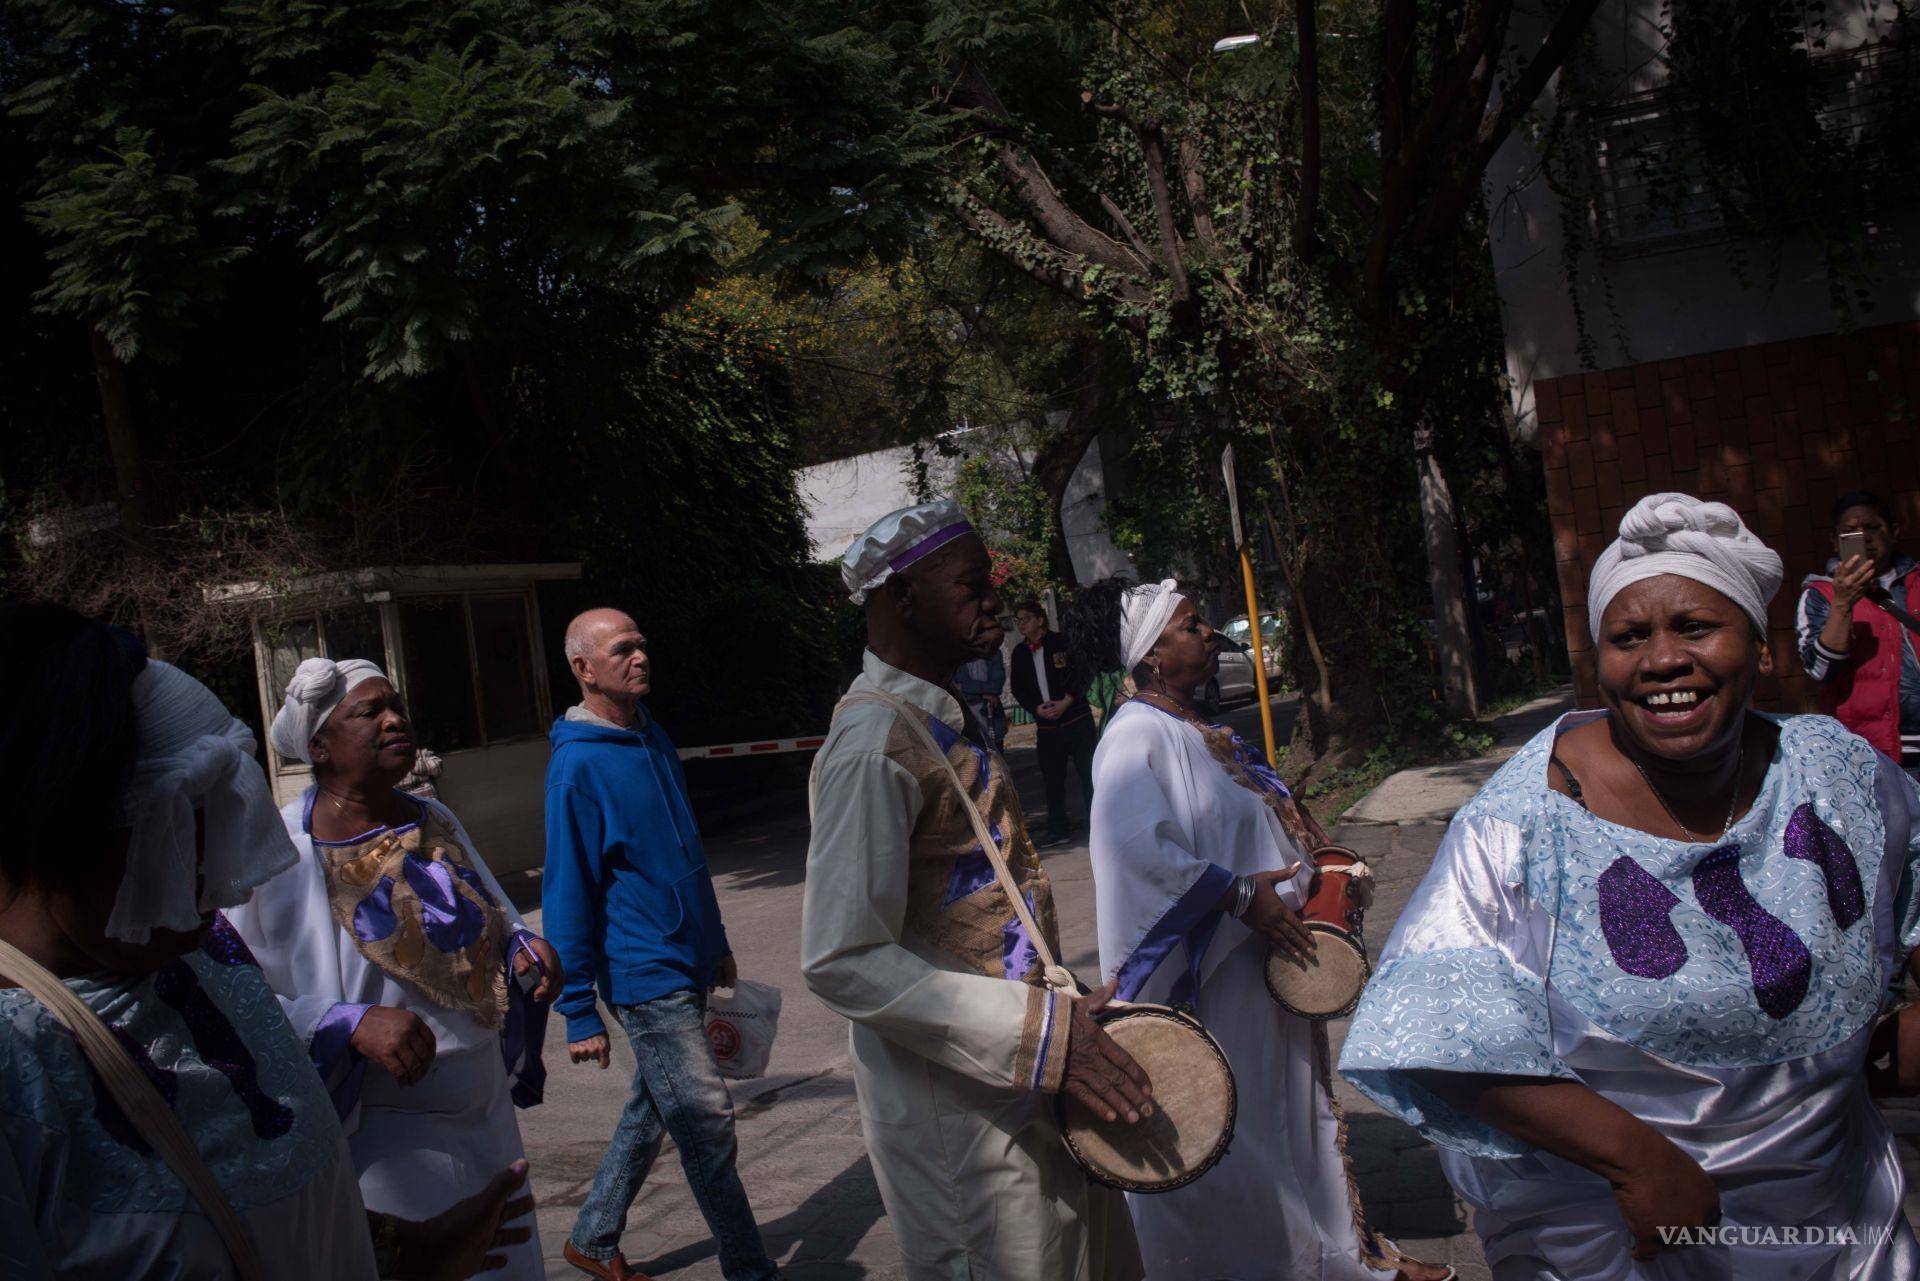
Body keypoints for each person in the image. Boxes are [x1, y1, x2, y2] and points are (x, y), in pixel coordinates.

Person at [1339, 492, 1920, 1280]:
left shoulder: (1838, 775)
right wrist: (1635, 1161)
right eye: (1629, 636)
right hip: (1627, 1238)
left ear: (1757, 643)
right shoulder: (1522, 822)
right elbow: (1432, 1033)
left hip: (1843, 1230)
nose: (1661, 661)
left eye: (1694, 627)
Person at [0, 601, 533, 1280]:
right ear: (71, 826)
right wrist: (352, 1022)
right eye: (183, 830)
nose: (221, 879)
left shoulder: (195, 957)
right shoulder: (17, 1066)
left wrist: (401, 1251)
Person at [802, 499, 1148, 1281]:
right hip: (959, 1120)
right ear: (901, 600)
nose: (994, 599)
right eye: (970, 586)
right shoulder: (869, 745)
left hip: (1027, 1077)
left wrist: (1059, 1005)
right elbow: (840, 955)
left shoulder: (939, 717)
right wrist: (1036, 1029)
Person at [1064, 578, 1447, 1281]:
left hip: (1255, 967)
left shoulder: (1189, 727)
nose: (1208, 632)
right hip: (1212, 983)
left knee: (1287, 1117)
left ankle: (1332, 1253)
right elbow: (1138, 857)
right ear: (1150, 655)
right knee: (1246, 1134)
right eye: (1189, 625)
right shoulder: (1135, 736)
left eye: (1202, 623)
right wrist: (1242, 896)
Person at [226, 657, 559, 1280]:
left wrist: (522, 947)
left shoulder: (436, 820)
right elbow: (232, 1001)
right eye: (368, 712)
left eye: (396, 706)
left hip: (483, 1112)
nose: (393, 720)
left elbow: (496, 916)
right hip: (378, 1133)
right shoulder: (279, 857)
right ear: (319, 747)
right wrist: (343, 1022)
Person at [543, 608, 779, 1281]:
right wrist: (579, 1011)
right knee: (705, 1122)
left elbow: (686, 854)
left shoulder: (652, 733)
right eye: (622, 649)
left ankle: (591, 1236)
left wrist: (718, 940)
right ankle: (751, 1269)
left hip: (688, 955)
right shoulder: (576, 769)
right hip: (642, 971)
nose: (640, 656)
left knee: (658, 1102)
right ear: (585, 669)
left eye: (642, 643)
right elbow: (566, 893)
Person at [1797, 490, 1919, 777]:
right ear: (1834, 541)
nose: (1863, 538)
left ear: (1894, 532)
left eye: (1872, 528)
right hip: (1872, 756)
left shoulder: (1917, 582)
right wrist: (1843, 603)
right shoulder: (1821, 595)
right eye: (1849, 532)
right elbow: (1820, 670)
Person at [1010, 598, 1096, 847]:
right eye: (1018, 620)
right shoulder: (1019, 653)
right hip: (1046, 726)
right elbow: (1018, 687)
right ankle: (1058, 829)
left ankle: (1098, 824)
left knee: (1089, 773)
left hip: (1076, 718)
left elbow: (1081, 673)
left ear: (1040, 619)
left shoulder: (1061, 643)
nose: (1021, 624)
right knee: (1052, 780)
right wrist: (1035, 708)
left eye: (1025, 618)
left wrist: (1067, 701)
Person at [954, 648, 1009, 751]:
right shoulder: (956, 654)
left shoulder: (993, 653)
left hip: (992, 719)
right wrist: (982, 694)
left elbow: (996, 686)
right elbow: (955, 689)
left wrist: (964, 687)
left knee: (997, 762)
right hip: (965, 721)